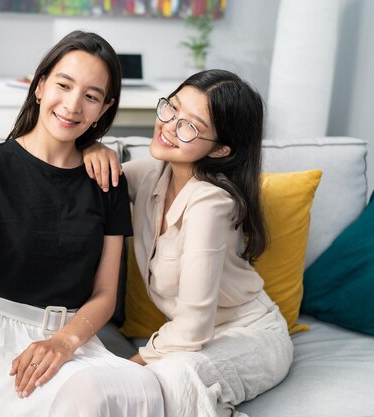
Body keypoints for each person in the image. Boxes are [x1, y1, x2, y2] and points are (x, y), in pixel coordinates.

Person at [0, 31, 164, 417]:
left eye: (90, 96)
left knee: (143, 389)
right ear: (39, 87)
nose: (72, 105)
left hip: (73, 339)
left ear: (104, 109)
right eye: (63, 85)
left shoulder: (108, 181)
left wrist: (65, 342)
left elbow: (104, 294)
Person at [83, 69, 294, 417]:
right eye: (171, 109)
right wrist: (91, 147)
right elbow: (91, 182)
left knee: (171, 377)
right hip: (193, 341)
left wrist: (131, 366)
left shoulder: (211, 202)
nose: (168, 126)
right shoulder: (154, 172)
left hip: (250, 337)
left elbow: (194, 324)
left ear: (222, 148)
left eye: (190, 126)